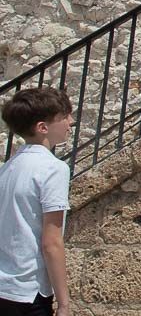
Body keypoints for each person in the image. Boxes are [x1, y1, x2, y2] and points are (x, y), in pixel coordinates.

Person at [0, 88, 74, 316]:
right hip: (29, 291)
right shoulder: (53, 169)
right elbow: (51, 243)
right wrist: (64, 304)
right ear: (43, 128)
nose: (71, 122)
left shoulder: (8, 168)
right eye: (64, 117)